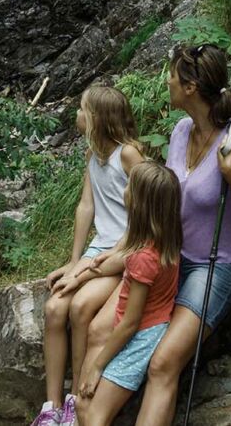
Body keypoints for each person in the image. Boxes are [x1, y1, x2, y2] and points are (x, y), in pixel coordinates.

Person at [132, 44, 231, 424]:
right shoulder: (180, 130)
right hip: (175, 256)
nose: (168, 82)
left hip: (220, 266)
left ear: (190, 87)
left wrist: (230, 174)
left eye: (173, 76)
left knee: (163, 363)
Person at [33, 85, 152, 425]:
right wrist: (75, 261)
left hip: (125, 250)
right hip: (100, 246)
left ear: (98, 118)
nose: (77, 115)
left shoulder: (128, 154)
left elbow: (146, 210)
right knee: (55, 307)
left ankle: (76, 400)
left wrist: (90, 269)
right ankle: (52, 407)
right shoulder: (93, 154)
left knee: (81, 306)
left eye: (82, 109)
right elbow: (86, 206)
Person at [67, 159, 186, 425]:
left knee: (93, 416)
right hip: (147, 329)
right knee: (84, 408)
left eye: (129, 186)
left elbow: (130, 322)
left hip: (138, 339)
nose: (125, 190)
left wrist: (98, 366)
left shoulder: (143, 258)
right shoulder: (167, 240)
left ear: (139, 203)